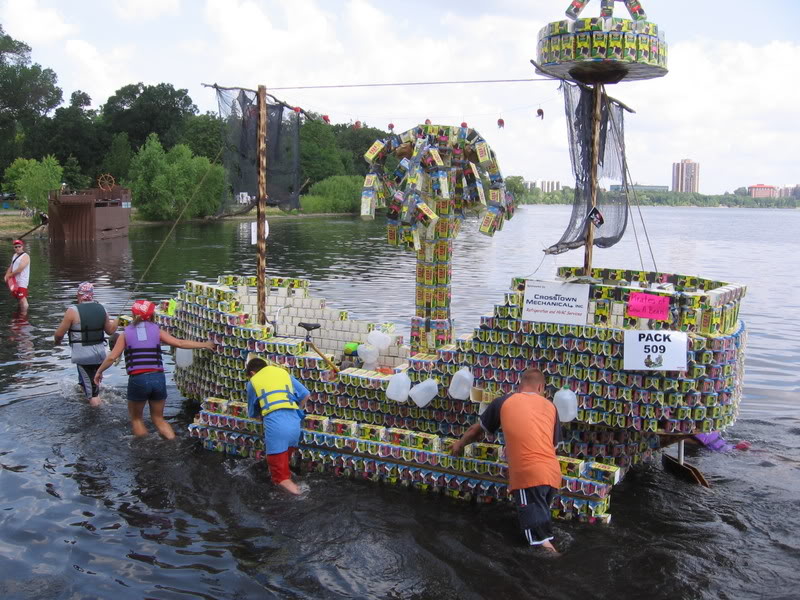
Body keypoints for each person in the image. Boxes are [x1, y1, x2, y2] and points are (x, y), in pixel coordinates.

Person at [451, 368, 562, 553]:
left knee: (539, 542)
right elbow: (552, 446)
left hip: (529, 477)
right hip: (552, 475)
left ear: (520, 384)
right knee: (540, 527)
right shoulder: (551, 407)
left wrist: (459, 445)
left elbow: (476, 431)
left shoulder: (505, 401)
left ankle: (555, 569)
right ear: (541, 387)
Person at [94, 299, 214, 439]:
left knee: (137, 419)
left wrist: (99, 371)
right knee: (158, 419)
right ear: (152, 315)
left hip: (138, 379)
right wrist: (205, 344)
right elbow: (179, 343)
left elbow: (111, 357)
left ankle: (145, 448)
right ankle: (172, 443)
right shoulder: (156, 330)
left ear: (133, 315)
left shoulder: (125, 334)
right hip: (158, 378)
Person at [246, 357, 310, 495]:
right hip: (294, 425)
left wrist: (262, 414)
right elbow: (306, 394)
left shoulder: (253, 381)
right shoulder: (282, 373)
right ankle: (295, 488)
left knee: (280, 479)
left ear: (252, 373)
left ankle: (302, 498)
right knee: (283, 467)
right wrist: (298, 410)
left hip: (277, 428)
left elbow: (252, 413)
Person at [53, 282, 118, 406]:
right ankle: (90, 404)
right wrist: (117, 321)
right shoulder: (102, 309)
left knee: (93, 395)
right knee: (88, 384)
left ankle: (98, 417)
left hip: (83, 357)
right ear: (92, 295)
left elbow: (59, 334)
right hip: (100, 355)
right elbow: (110, 331)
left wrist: (57, 343)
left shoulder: (72, 311)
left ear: (78, 294)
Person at [5, 239, 30, 313]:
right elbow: (11, 266)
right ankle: (20, 313)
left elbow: (20, 269)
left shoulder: (25, 256)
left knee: (22, 298)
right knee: (18, 298)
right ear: (14, 248)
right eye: (16, 247)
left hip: (22, 281)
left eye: (19, 246)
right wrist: (6, 275)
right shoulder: (14, 255)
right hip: (14, 281)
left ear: (22, 247)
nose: (17, 248)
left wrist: (9, 275)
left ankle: (24, 315)